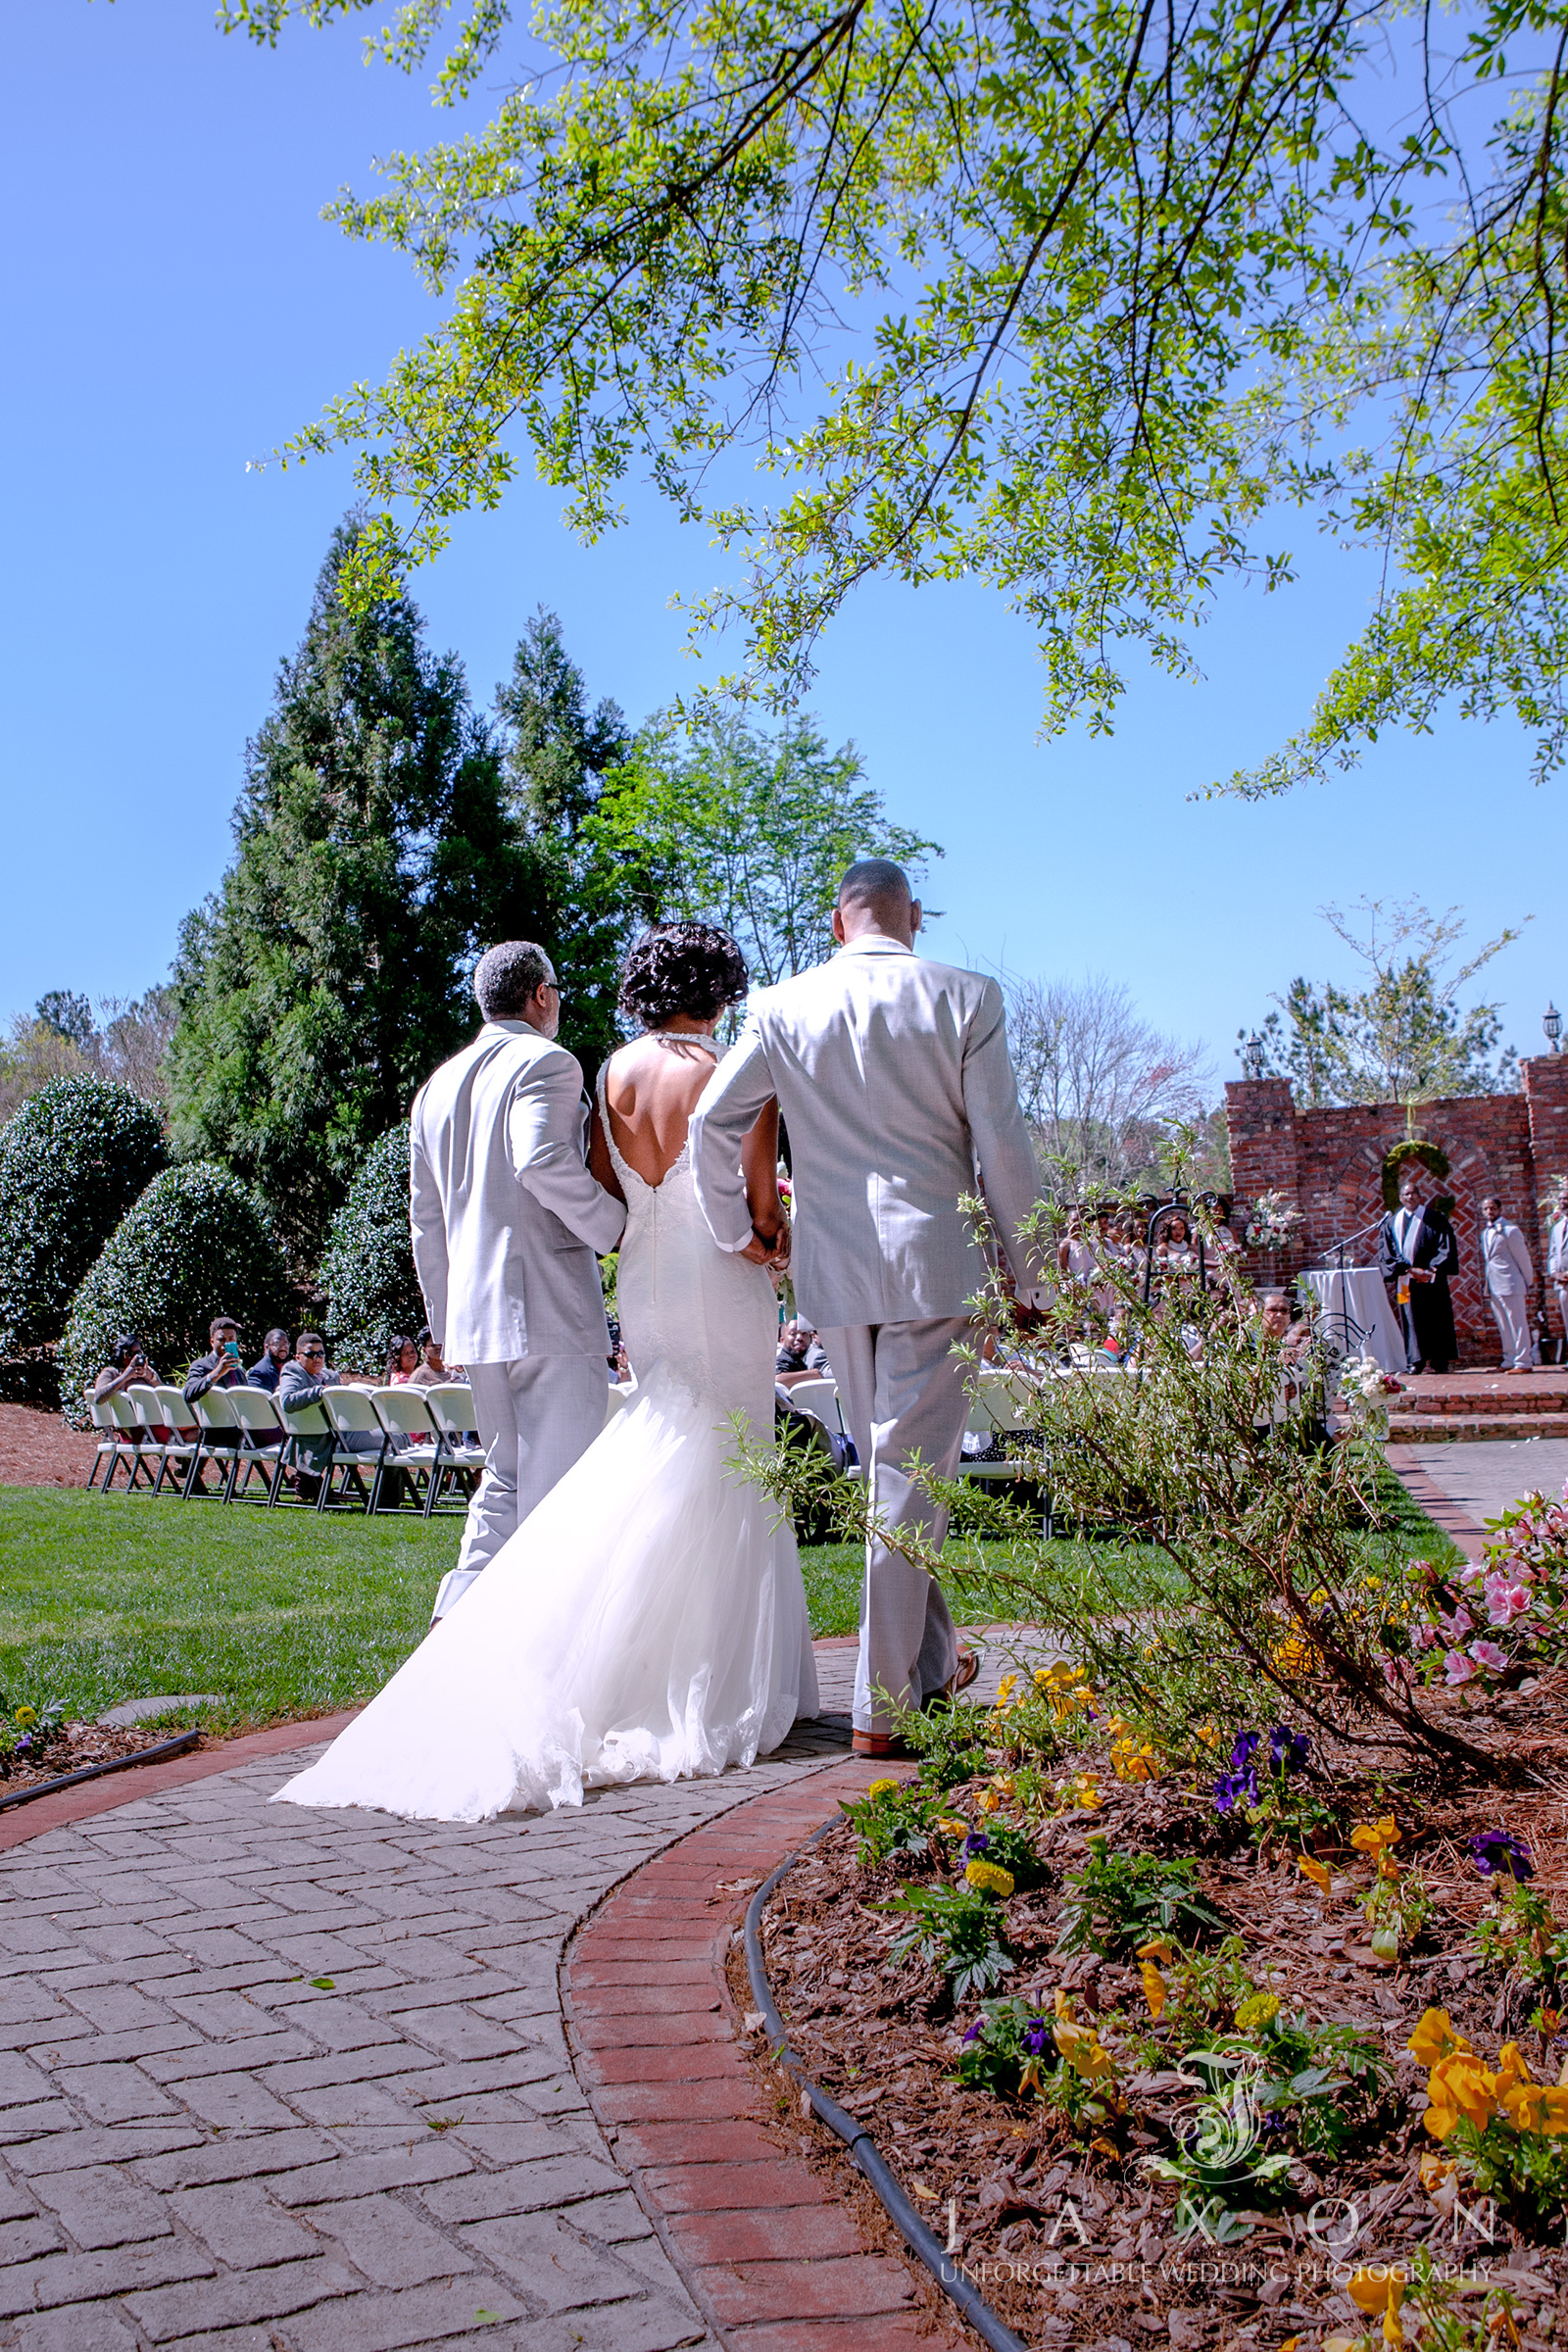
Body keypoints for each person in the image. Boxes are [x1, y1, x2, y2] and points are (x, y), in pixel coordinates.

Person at [273, 921, 818, 1823]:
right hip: (674, 1287)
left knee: (527, 1476)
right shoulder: (694, 1071)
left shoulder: (566, 1076)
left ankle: (467, 1635)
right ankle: (557, 1674)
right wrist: (767, 1239)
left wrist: (452, 1317)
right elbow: (739, 1196)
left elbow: (434, 1216)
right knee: (675, 1466)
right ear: (719, 987)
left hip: (581, 1299)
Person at [690, 858, 1045, 1760]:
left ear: (836, 922)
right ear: (912, 918)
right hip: (936, 1264)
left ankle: (931, 1670)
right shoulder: (966, 995)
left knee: (892, 1473)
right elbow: (1001, 1141)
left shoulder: (782, 1006)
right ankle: (884, 1709)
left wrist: (738, 1226)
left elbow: (712, 1124)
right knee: (907, 1481)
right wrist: (1033, 1272)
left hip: (838, 1271)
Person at [408, 940, 628, 1621]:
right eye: (556, 991)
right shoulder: (547, 1062)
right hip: (548, 1305)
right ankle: (539, 1648)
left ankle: (458, 1615)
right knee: (564, 1491)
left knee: (505, 1479)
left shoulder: (435, 1088)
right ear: (541, 995)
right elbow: (539, 1162)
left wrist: (445, 1323)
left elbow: (426, 1221)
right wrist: (617, 1229)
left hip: (478, 1318)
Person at [1377, 1166, 1458, 1374]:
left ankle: (1440, 1360)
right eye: (1406, 1194)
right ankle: (1416, 1360)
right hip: (1406, 1280)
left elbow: (1445, 1247)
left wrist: (1430, 1270)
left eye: (1413, 1193)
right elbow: (1387, 1251)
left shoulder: (1435, 1219)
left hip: (1432, 1279)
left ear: (1420, 1196)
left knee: (1437, 1317)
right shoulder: (1392, 1222)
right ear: (1401, 1198)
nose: (1410, 1197)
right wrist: (1409, 1270)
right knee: (1411, 1319)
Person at [277, 1333, 379, 1498]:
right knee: (394, 1439)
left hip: (343, 1430)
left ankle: (387, 1496)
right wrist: (320, 1391)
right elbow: (287, 1402)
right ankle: (388, 1499)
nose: (317, 1358)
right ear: (297, 1357)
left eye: (321, 1353)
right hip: (328, 1439)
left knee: (396, 1436)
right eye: (310, 1354)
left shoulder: (331, 1376)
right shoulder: (292, 1371)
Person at [1480, 1195, 1538, 1372]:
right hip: (1494, 1285)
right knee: (1503, 1325)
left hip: (1511, 1283)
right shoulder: (1485, 1232)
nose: (1489, 1212)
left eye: (1493, 1208)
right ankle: (1509, 1359)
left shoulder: (1510, 1230)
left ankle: (1523, 1362)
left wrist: (1528, 1281)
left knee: (1517, 1323)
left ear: (1500, 1209)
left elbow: (1523, 1258)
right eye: (1486, 1209)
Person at [1548, 1186, 1568, 1363]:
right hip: (1564, 1282)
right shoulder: (1557, 1227)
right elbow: (1553, 1253)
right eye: (1561, 1199)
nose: (1563, 1202)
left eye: (1566, 1199)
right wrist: (1555, 1273)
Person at [248, 1329, 291, 1393]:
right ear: (267, 1347)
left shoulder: (290, 1368)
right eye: (277, 1344)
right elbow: (256, 1400)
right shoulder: (259, 1372)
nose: (283, 1348)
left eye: (285, 1344)